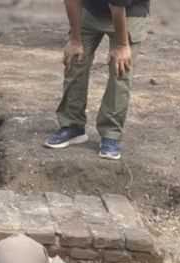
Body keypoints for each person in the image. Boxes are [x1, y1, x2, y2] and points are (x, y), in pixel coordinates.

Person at [44, 0, 150, 160]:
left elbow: (117, 5)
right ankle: (72, 126)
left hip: (130, 13)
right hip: (92, 10)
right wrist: (75, 40)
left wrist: (122, 46)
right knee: (75, 58)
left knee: (120, 68)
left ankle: (111, 134)